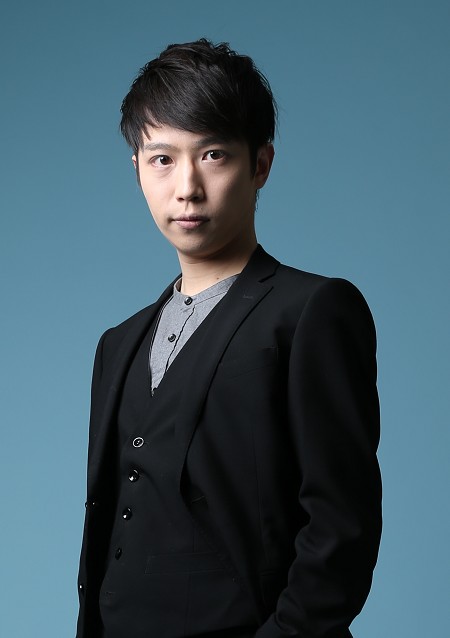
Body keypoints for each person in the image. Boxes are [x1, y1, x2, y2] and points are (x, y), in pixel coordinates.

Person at [76, 39, 382, 638]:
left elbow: (342, 529)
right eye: (162, 159)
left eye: (213, 154)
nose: (187, 187)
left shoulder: (312, 311)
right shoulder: (119, 343)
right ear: (137, 169)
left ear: (260, 164)